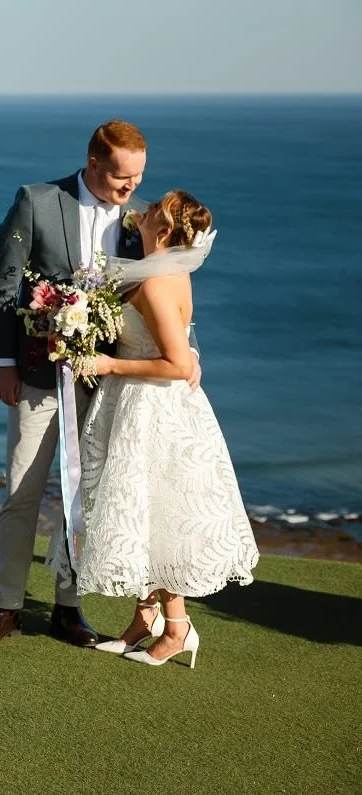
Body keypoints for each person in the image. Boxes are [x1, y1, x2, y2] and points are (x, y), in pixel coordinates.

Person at [0, 119, 201, 647]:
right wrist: (3, 362)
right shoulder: (36, 200)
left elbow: (166, 291)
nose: (131, 188)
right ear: (94, 164)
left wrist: (188, 349)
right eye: (122, 177)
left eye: (138, 177)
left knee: (86, 496)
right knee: (23, 492)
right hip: (35, 375)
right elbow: (4, 282)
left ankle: (68, 607)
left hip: (108, 384)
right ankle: (4, 606)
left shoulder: (141, 222)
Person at [77, 190, 259, 666]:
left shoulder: (157, 283)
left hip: (150, 409)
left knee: (153, 514)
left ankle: (176, 628)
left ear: (163, 229)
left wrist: (109, 364)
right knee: (142, 514)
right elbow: (185, 341)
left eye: (156, 205)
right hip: (144, 404)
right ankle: (145, 618)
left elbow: (175, 364)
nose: (146, 205)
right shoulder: (166, 272)